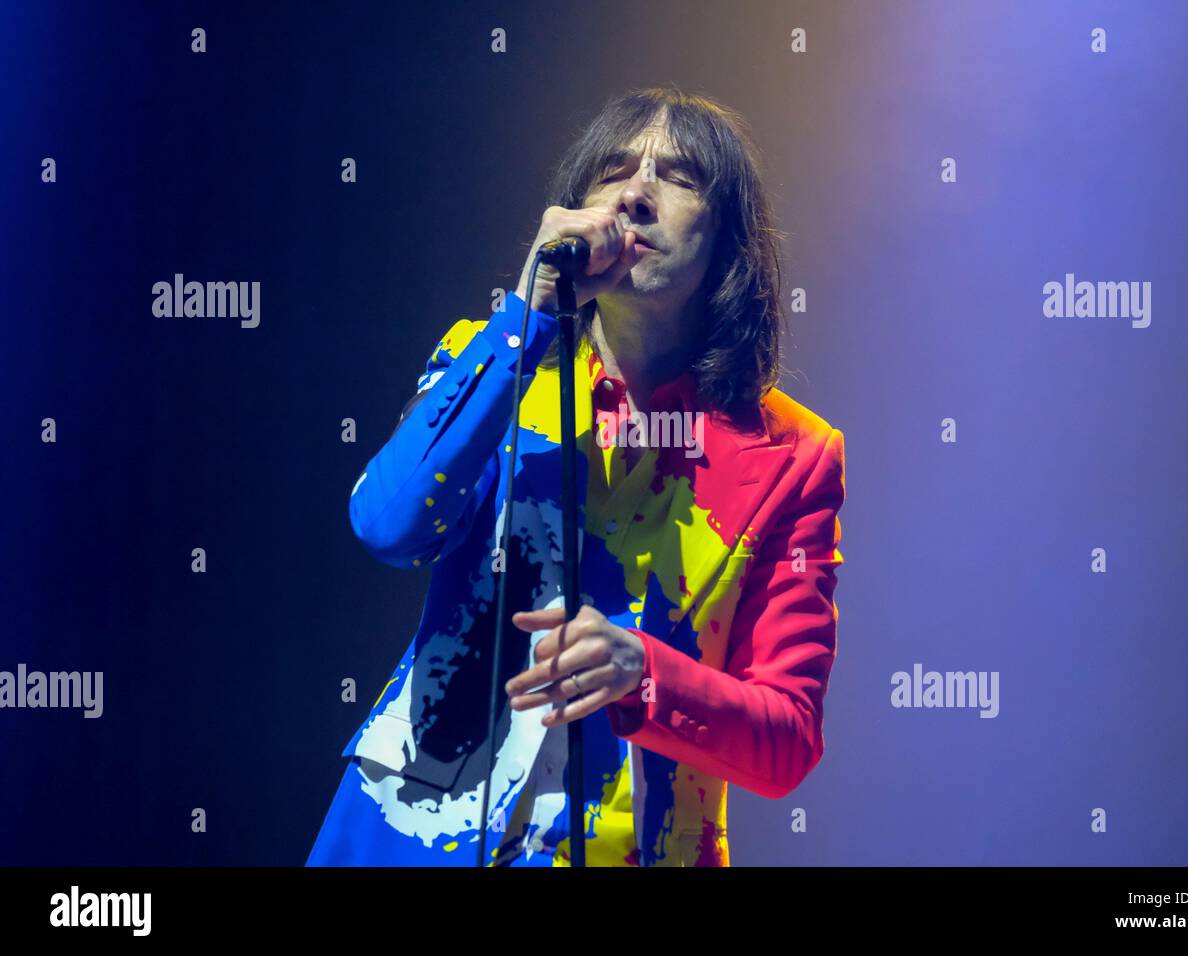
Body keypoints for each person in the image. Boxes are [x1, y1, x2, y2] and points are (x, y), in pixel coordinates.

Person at [306, 86, 845, 867]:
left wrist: (643, 671)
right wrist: (525, 315)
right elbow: (387, 526)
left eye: (681, 177)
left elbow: (787, 739)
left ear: (728, 239)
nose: (636, 194)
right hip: (413, 830)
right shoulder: (489, 361)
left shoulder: (794, 454)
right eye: (614, 171)